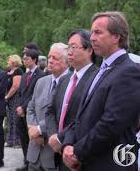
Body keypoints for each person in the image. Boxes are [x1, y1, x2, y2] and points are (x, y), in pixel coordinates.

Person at [61, 11, 140, 171]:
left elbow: (111, 124)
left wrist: (77, 152)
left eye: (98, 32)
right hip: (89, 161)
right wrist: (68, 143)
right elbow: (81, 117)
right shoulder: (99, 71)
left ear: (116, 37)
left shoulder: (129, 71)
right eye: (92, 33)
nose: (92, 38)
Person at [45, 29, 98, 171]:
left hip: (79, 154)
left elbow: (88, 118)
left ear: (89, 50)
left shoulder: (97, 78)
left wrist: (63, 139)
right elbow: (50, 111)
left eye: (74, 47)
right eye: (68, 47)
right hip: (59, 151)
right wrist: (53, 136)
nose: (69, 51)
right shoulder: (65, 79)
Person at [26, 43, 69, 171]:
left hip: (53, 155)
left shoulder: (73, 83)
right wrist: (33, 132)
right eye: (49, 56)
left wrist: (40, 130)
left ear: (67, 62)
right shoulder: (42, 82)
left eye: (55, 58)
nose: (50, 60)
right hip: (34, 153)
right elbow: (30, 108)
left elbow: (62, 114)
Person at [16, 44, 45, 171]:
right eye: (23, 58)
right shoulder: (24, 75)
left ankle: (33, 163)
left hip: (31, 113)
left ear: (34, 60)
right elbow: (20, 93)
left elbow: (35, 95)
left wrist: (23, 107)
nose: (24, 60)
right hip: (20, 112)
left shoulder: (41, 75)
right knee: (23, 138)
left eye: (27, 58)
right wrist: (18, 107)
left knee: (32, 139)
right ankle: (26, 162)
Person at [5, 55, 23, 147]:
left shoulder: (18, 71)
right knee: (10, 119)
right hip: (9, 98)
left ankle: (17, 141)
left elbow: (16, 86)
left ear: (14, 61)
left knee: (15, 119)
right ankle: (10, 140)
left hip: (15, 97)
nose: (7, 61)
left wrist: (7, 96)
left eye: (9, 60)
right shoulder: (9, 72)